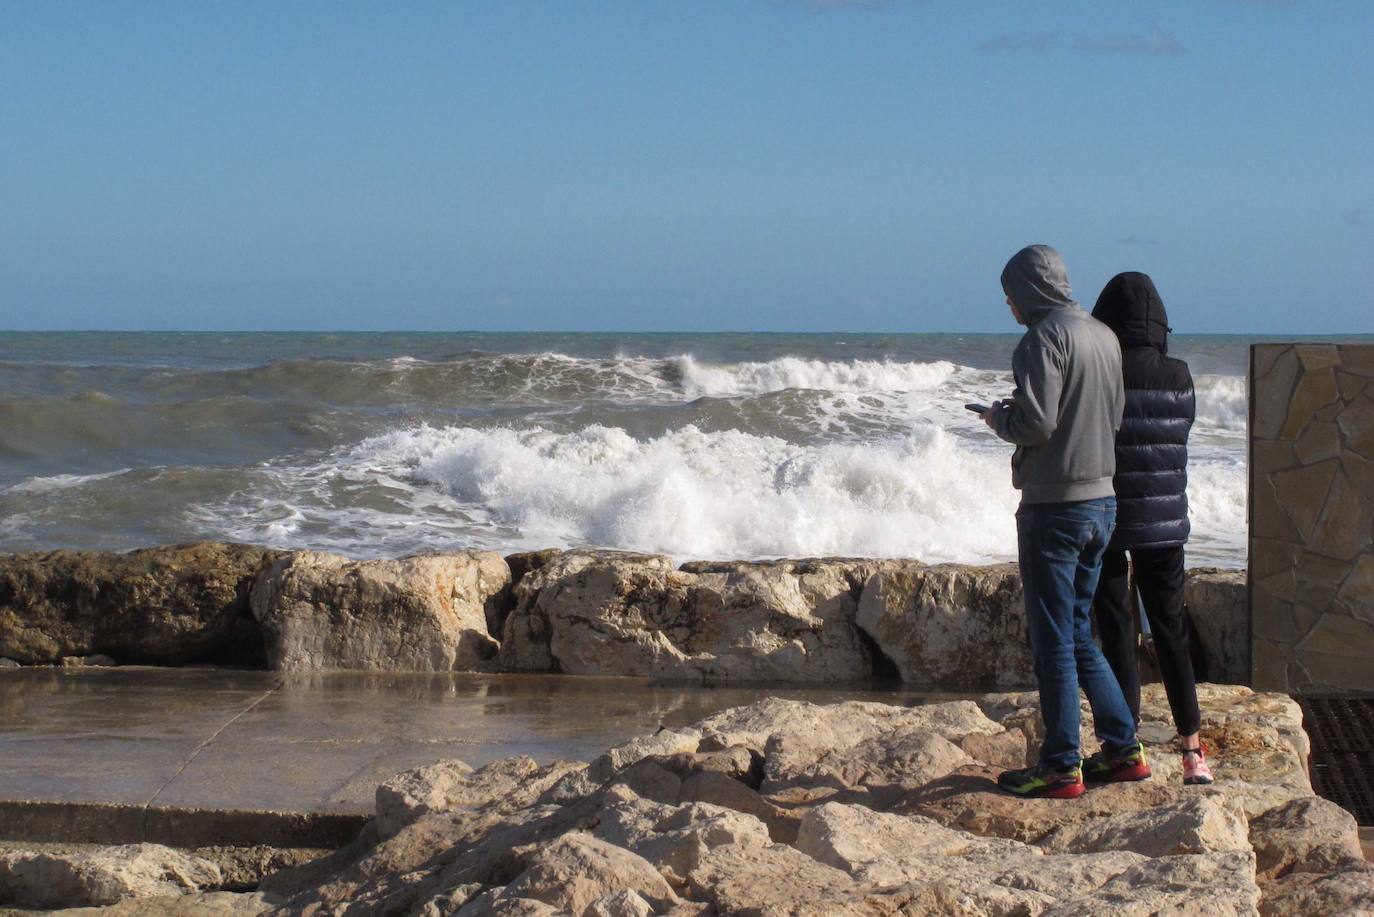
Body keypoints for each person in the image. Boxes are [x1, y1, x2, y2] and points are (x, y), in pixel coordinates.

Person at [983, 244, 1150, 799]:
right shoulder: (1103, 335)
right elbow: (1114, 414)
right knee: (1079, 633)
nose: (1009, 307)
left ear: (1025, 294)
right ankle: (1124, 749)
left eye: (1010, 296)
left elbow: (1036, 423)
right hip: (1104, 501)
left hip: (1055, 506)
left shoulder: (1041, 339)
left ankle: (1060, 766)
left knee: (1053, 640)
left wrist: (998, 418)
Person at [1089, 272, 1213, 786]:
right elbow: (1178, 434)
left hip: (1111, 516)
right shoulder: (1180, 374)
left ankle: (1127, 745)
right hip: (1166, 522)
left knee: (1117, 627)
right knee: (1170, 630)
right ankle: (1192, 753)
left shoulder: (1102, 373)